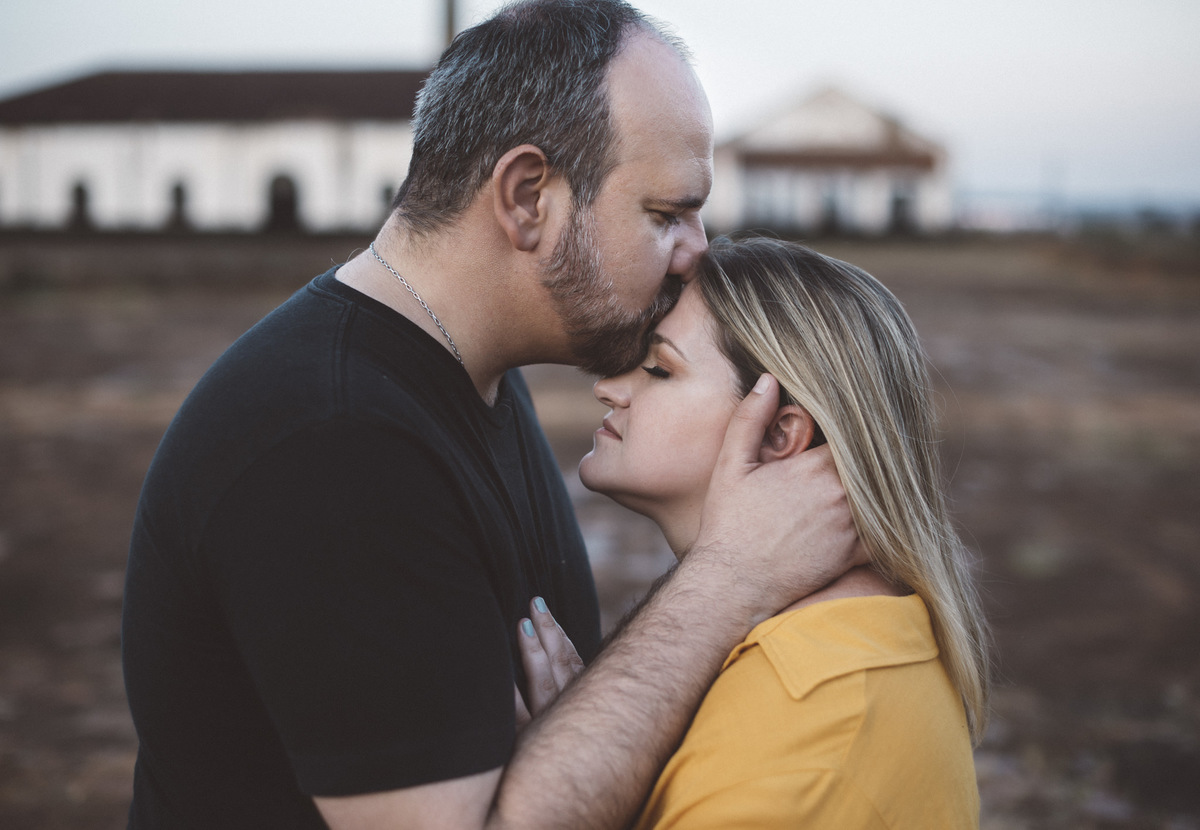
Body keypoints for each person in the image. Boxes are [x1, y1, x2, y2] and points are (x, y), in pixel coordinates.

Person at [120, 3, 861, 828]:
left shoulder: (467, 380)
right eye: (667, 215)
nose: (699, 251)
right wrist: (731, 581)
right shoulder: (336, 443)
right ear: (527, 197)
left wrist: (570, 736)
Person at [575, 236, 991, 828]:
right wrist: (587, 764)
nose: (609, 387)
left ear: (777, 434)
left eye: (659, 368)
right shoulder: (859, 638)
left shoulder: (807, 736)